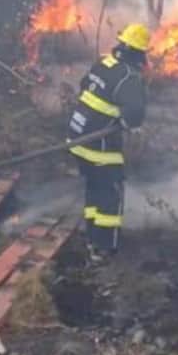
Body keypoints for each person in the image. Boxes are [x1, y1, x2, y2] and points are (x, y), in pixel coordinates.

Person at [66, 23, 149, 256]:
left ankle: (92, 238)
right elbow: (134, 115)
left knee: (94, 186)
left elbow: (85, 85)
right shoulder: (129, 77)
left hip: (76, 136)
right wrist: (123, 124)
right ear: (138, 52)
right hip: (98, 144)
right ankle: (104, 249)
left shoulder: (103, 62)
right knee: (111, 194)